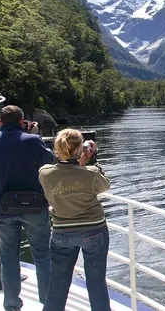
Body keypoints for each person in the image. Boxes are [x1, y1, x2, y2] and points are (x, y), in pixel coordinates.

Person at [0, 105, 54, 311]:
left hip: (2, 208)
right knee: (42, 255)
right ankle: (47, 302)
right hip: (34, 207)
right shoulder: (32, 141)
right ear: (22, 122)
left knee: (9, 257)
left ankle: (11, 304)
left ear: (0, 123)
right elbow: (49, 161)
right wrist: (34, 136)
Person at [39, 129, 111, 311]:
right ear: (80, 149)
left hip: (62, 231)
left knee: (57, 285)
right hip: (94, 231)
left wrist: (76, 161)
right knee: (96, 283)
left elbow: (61, 171)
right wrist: (91, 162)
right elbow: (105, 185)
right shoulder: (91, 173)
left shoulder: (45, 173)